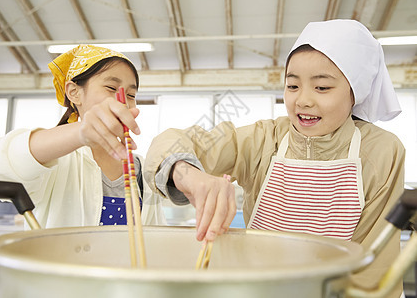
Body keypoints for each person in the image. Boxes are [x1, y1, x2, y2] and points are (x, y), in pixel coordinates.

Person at [143, 20, 405, 295]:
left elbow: (376, 268)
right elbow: (172, 142)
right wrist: (191, 176)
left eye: (322, 88)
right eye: (292, 86)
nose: (302, 100)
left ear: (355, 92)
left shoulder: (381, 152)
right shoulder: (262, 140)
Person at [0, 44, 165, 228]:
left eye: (131, 94)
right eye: (111, 87)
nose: (123, 100)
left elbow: (154, 239)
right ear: (74, 92)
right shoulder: (54, 159)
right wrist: (81, 132)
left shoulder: (139, 168)